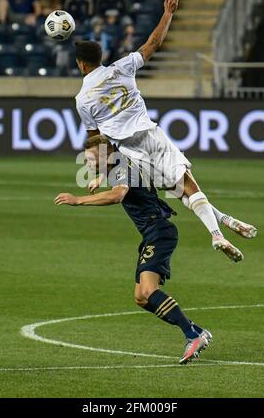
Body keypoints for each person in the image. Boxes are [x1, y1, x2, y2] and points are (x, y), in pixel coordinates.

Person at [74, 0, 257, 263]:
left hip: (130, 154)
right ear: (100, 57)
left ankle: (226, 222)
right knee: (188, 184)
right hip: (151, 137)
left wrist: (101, 175)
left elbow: (99, 144)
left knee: (179, 190)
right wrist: (167, 13)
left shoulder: (81, 100)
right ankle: (217, 233)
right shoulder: (121, 67)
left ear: (80, 64)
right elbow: (154, 43)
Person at [54, 135, 212, 365]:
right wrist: (100, 177)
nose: (86, 163)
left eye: (91, 159)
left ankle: (192, 334)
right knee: (140, 298)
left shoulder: (120, 169)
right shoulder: (119, 160)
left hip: (159, 232)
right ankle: (196, 330)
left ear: (106, 156)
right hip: (153, 233)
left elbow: (118, 195)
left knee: (148, 290)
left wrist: (78, 200)